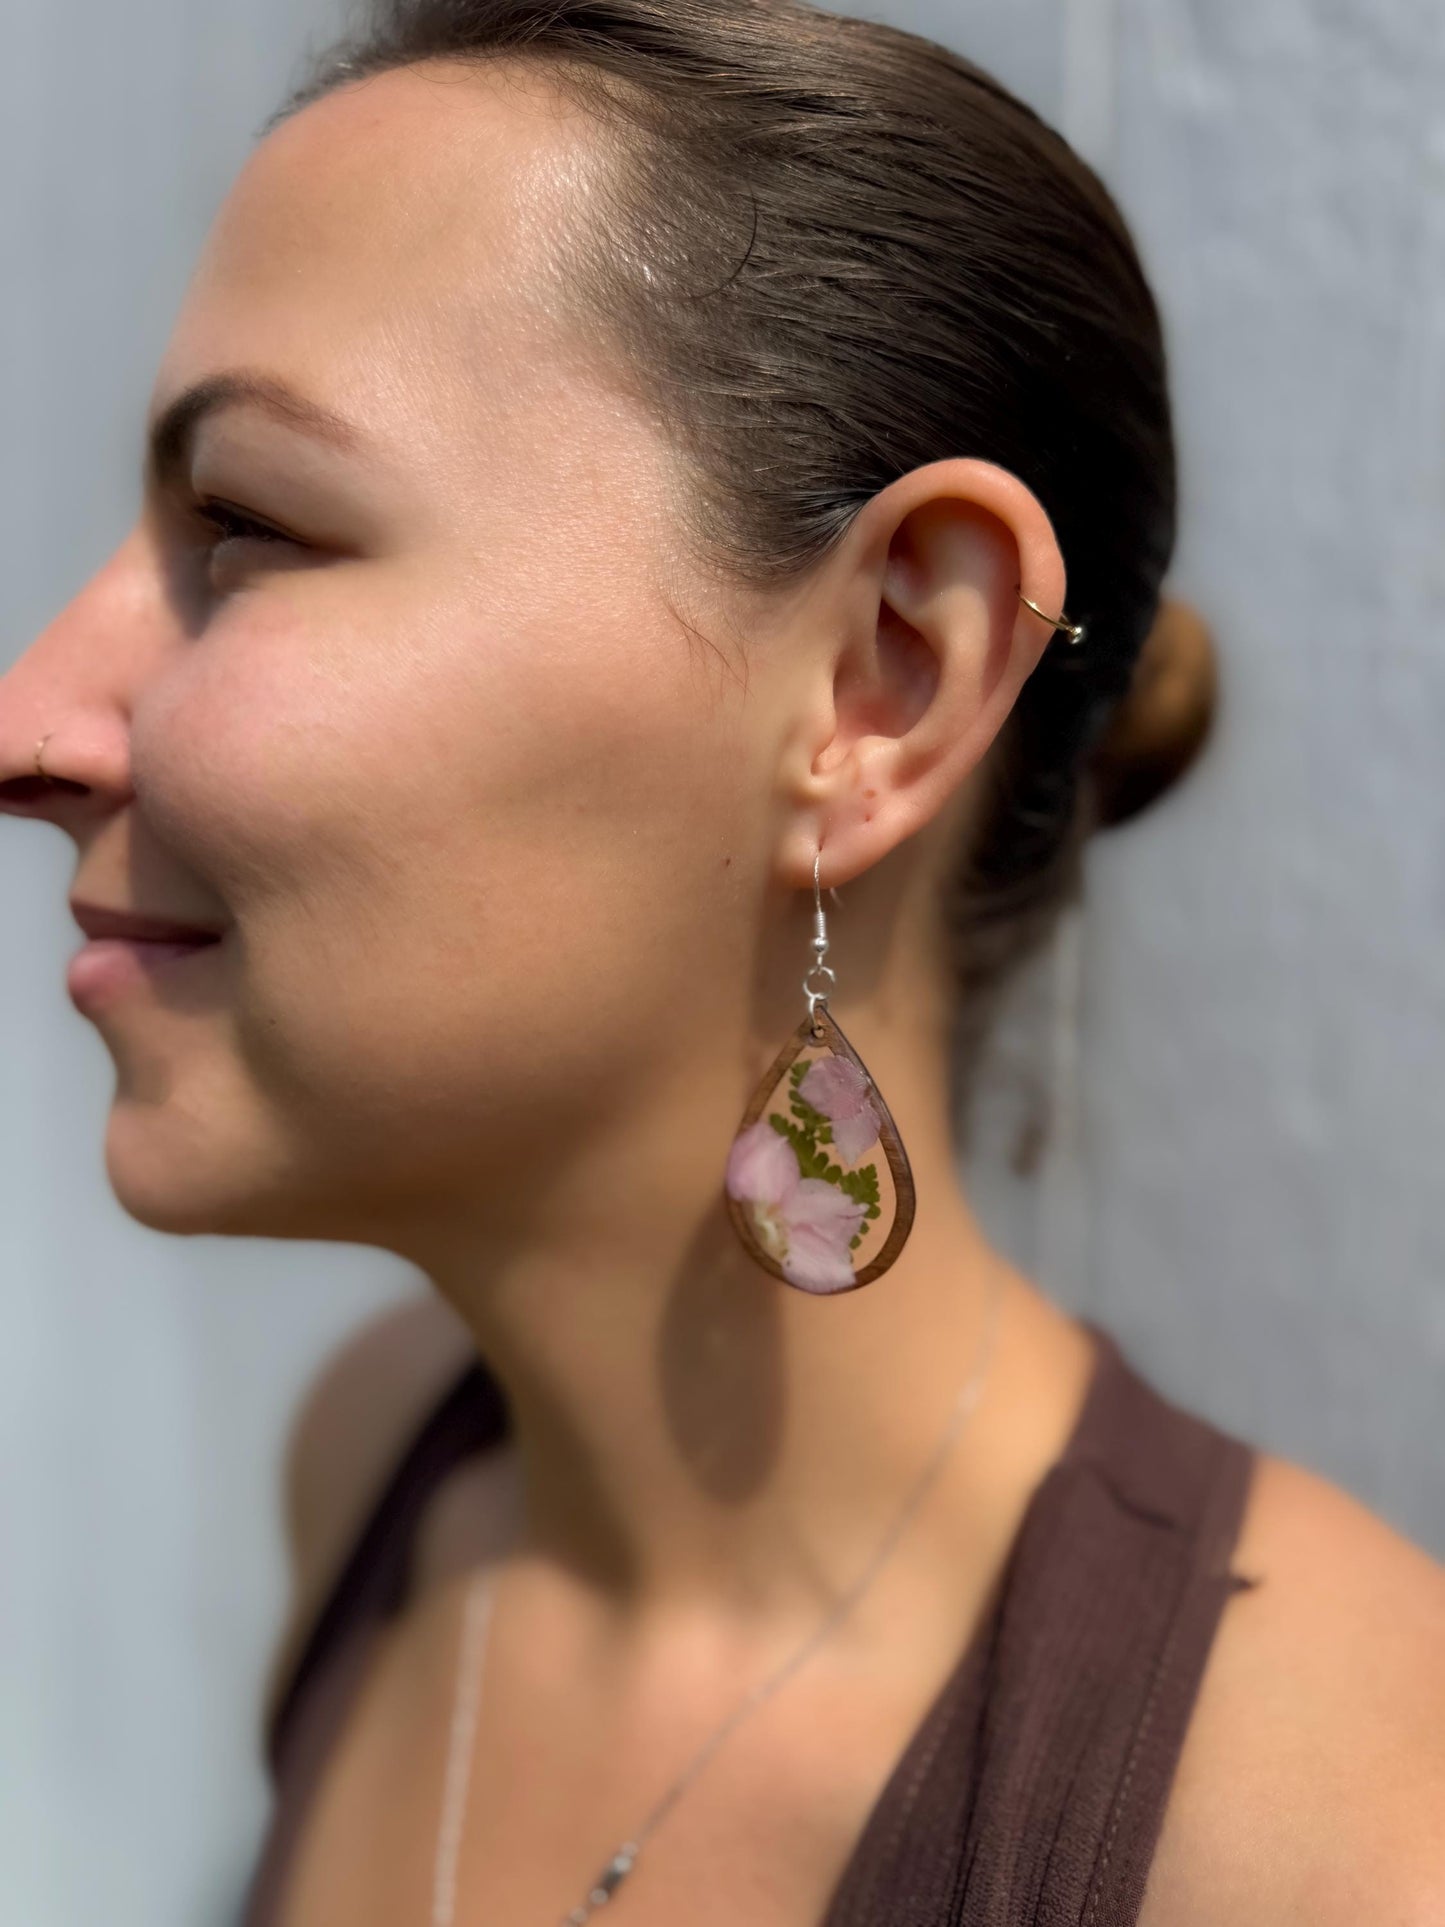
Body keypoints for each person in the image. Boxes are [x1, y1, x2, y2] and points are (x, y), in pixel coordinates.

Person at [2, 2, 1441, 1921]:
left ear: (879, 685)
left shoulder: (1332, 1839)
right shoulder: (373, 1483)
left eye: (248, 527)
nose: (30, 720)